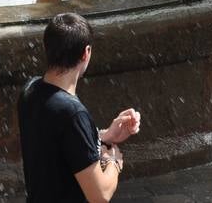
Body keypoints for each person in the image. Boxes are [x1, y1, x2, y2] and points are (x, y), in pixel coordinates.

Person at [17, 12, 141, 203]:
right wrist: (113, 161)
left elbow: (56, 145)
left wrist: (105, 136)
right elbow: (99, 195)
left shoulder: (29, 91)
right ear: (86, 52)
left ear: (46, 47)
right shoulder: (73, 114)